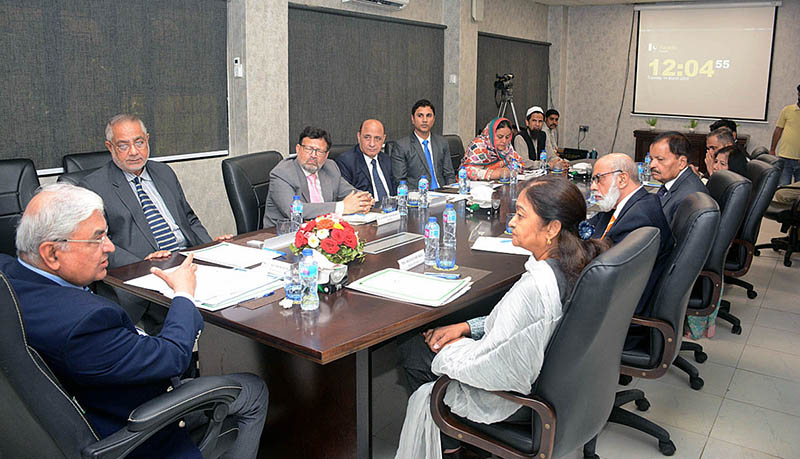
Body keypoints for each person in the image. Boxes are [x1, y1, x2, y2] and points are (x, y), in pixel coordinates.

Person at [0, 183, 268, 459]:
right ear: (51, 253)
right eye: (98, 238)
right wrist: (184, 293)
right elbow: (173, 357)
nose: (110, 247)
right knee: (253, 389)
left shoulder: (8, 275)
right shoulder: (83, 322)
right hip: (137, 427)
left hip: (92, 396)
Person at [395, 176, 609, 458]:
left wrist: (451, 351)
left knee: (413, 349)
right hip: (565, 388)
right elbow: (523, 326)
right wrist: (466, 327)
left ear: (552, 228)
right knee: (447, 330)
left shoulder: (533, 288)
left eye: (520, 215)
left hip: (520, 400)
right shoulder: (575, 262)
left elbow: (499, 367)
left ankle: (453, 445)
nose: (511, 223)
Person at [80, 114, 233, 332]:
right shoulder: (93, 186)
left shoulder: (163, 172)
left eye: (139, 142)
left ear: (147, 140)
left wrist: (210, 249)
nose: (133, 151)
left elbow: (188, 218)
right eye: (123, 145)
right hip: (142, 278)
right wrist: (142, 262)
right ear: (110, 147)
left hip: (187, 262)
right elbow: (97, 242)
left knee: (237, 302)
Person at [587, 153, 673, 318]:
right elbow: (591, 225)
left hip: (620, 312)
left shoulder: (639, 218)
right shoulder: (629, 204)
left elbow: (605, 271)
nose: (593, 186)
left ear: (622, 180)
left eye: (598, 179)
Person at [263, 126, 374, 227]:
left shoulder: (330, 167)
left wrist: (364, 200)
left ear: (326, 155)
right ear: (298, 149)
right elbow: (294, 211)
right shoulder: (282, 173)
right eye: (309, 149)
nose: (313, 156)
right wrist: (342, 207)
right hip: (283, 235)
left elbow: (351, 193)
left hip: (324, 231)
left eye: (320, 151)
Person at [391, 99, 456, 189]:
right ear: (413, 119)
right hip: (418, 196)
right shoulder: (401, 146)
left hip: (443, 193)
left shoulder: (442, 142)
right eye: (420, 116)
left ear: (433, 119)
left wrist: (452, 193)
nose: (425, 120)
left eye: (428, 116)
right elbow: (400, 181)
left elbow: (449, 175)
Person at [649, 131, 709, 223]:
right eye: (651, 159)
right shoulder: (677, 181)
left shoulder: (688, 197)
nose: (652, 165)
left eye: (660, 159)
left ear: (681, 163)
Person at [334, 119, 396, 200]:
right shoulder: (346, 162)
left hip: (391, 209)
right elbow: (347, 196)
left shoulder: (386, 159)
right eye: (367, 137)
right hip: (366, 210)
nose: (372, 144)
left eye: (377, 138)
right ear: (359, 136)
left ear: (383, 139)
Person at [769, 84, 800, 186]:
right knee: (782, 187)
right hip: (785, 156)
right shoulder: (787, 110)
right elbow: (778, 130)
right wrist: (772, 149)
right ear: (798, 94)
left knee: (797, 191)